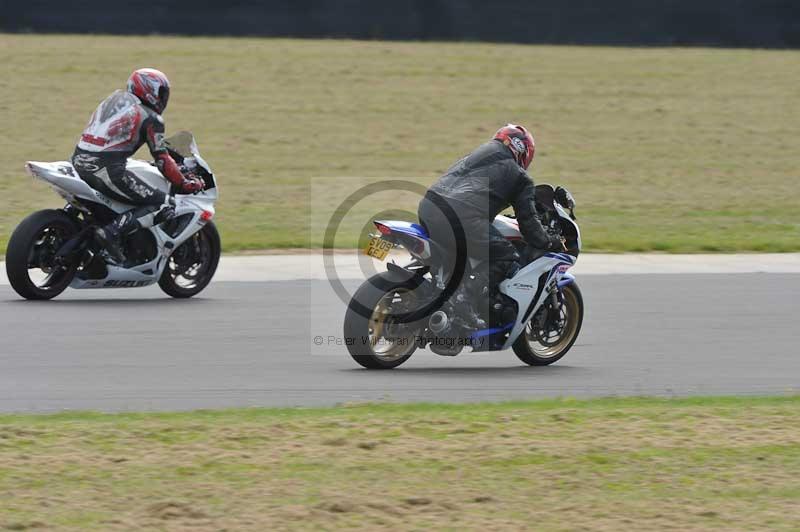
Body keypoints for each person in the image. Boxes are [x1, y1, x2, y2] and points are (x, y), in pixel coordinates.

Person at [418, 124, 563, 310]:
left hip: (428, 209)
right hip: (461, 219)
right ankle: (464, 302)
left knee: (456, 260)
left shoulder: (473, 156)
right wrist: (550, 241)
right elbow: (528, 224)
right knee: (505, 255)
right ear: (523, 151)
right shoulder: (519, 177)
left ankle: (437, 297)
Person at [71, 68, 204, 262]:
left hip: (78, 160)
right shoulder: (151, 117)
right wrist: (183, 182)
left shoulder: (114, 100)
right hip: (106, 170)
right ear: (149, 90)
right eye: (162, 93)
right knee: (164, 204)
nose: (164, 98)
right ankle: (111, 233)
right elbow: (162, 159)